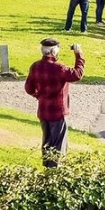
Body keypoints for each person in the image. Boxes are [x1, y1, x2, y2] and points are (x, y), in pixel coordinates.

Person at [24, 38, 84, 168]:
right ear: (54, 51)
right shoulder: (59, 68)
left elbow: (29, 88)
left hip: (43, 111)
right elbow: (77, 74)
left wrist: (39, 95)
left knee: (47, 142)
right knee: (58, 145)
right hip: (58, 112)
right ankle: (55, 172)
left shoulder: (35, 66)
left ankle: (47, 168)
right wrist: (78, 54)